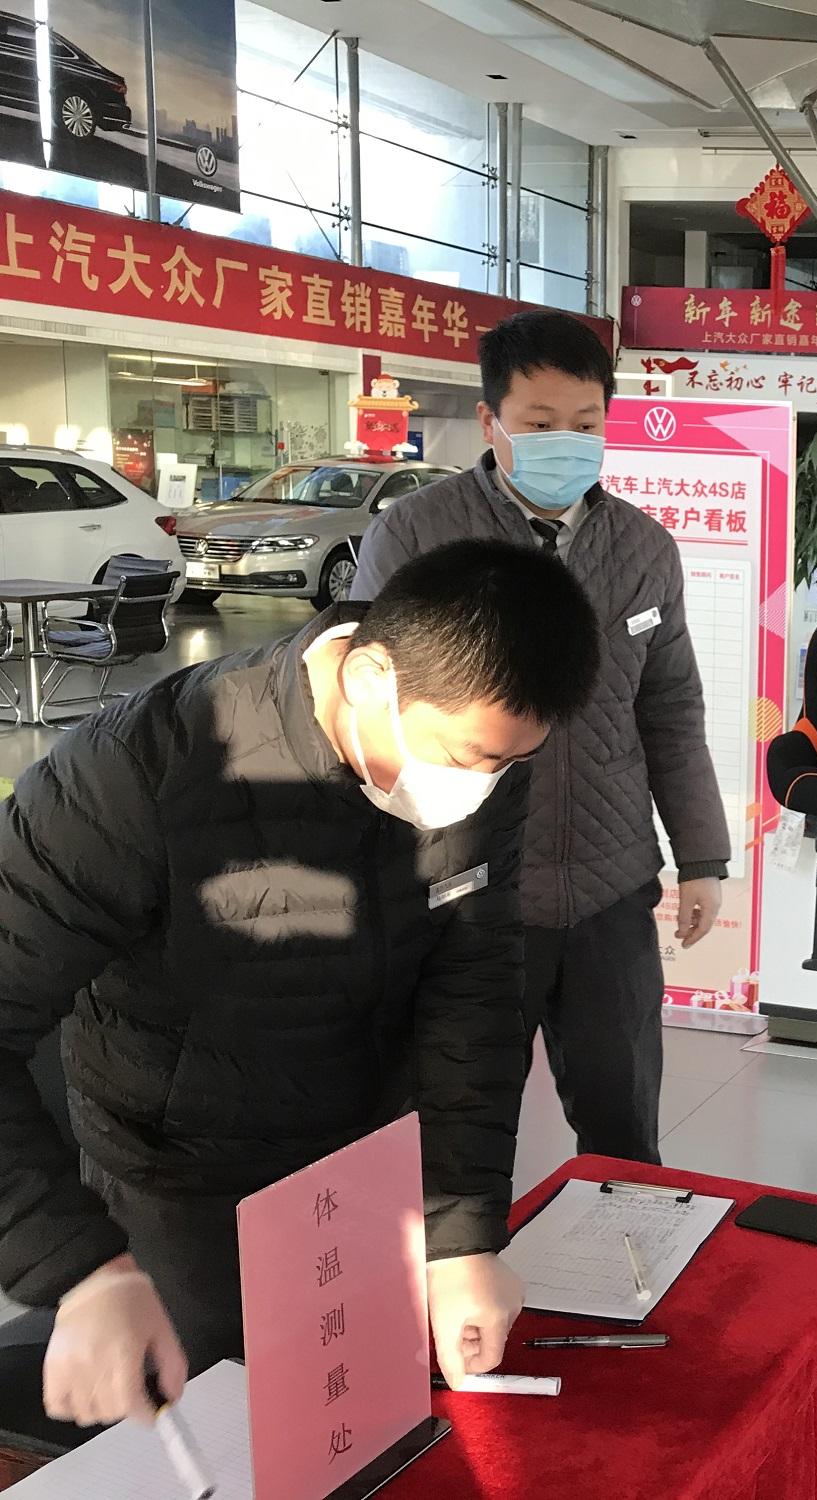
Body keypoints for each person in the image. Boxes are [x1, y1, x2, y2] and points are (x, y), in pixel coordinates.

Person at [0, 539, 602, 1429]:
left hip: (362, 1163)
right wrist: (79, 1270)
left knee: (355, 1435)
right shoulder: (141, 769)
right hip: (182, 1176)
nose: (477, 790)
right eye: (464, 756)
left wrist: (460, 1233)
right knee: (217, 1441)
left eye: (506, 765)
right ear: (368, 678)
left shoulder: (479, 762)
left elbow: (470, 991)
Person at [353, 309, 731, 1165]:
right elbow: (362, 707)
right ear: (490, 421)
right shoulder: (415, 534)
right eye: (540, 423)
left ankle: (622, 1245)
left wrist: (702, 856)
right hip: (465, 892)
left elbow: (671, 709)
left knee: (622, 1126)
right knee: (455, 1132)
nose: (568, 442)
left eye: (586, 424)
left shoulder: (643, 547)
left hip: (609, 888)